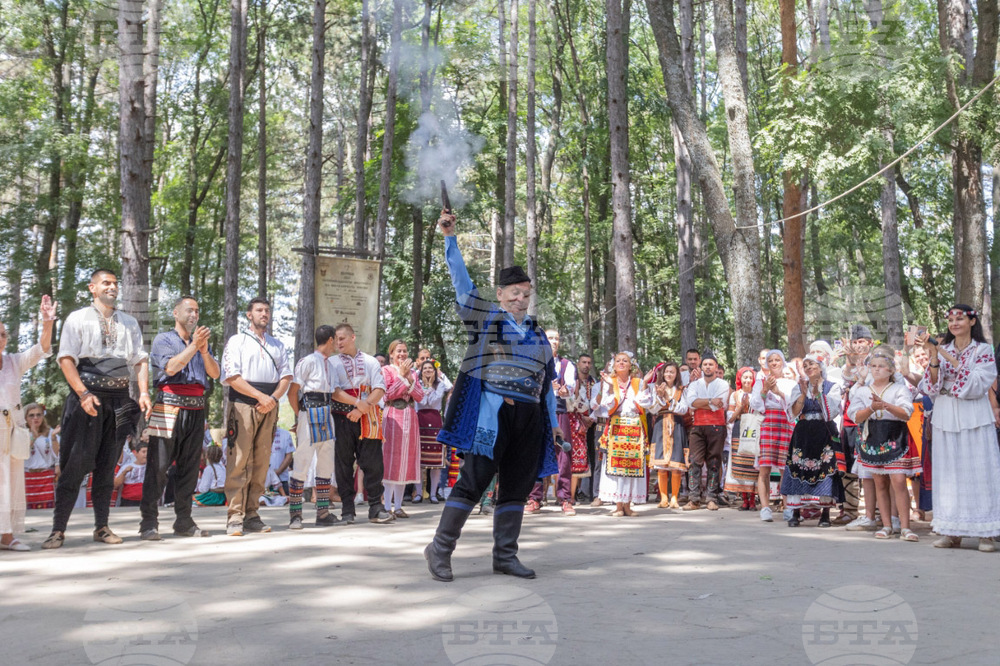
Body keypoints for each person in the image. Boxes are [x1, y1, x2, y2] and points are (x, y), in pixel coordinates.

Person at [425, 209, 561, 583]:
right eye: (515, 293)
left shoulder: (536, 333)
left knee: (517, 485)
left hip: (530, 417)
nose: (521, 299)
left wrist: (553, 424)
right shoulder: (484, 317)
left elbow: (546, 385)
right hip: (493, 413)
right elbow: (461, 283)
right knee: (473, 480)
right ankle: (439, 549)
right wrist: (450, 239)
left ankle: (505, 555)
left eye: (526, 294)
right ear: (499, 294)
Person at [44, 271, 151, 549]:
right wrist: (82, 393)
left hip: (119, 399)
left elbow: (139, 359)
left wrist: (143, 392)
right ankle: (58, 530)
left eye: (115, 283)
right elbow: (66, 359)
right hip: (87, 398)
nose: (112, 287)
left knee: (107, 465)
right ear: (93, 288)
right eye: (106, 283)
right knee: (73, 465)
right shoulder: (77, 318)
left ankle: (102, 527)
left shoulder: (129, 322)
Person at [918, 306, 1000, 551]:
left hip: (973, 413)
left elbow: (978, 383)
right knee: (949, 473)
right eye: (951, 320)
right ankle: (951, 530)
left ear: (972, 321)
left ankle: (987, 532)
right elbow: (930, 386)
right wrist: (934, 357)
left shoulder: (983, 350)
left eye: (960, 319)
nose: (954, 323)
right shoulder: (943, 350)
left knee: (980, 471)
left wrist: (944, 352)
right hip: (946, 413)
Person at [140, 296, 220, 540]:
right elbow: (172, 368)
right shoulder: (164, 339)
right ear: (176, 313)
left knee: (189, 468)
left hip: (196, 408)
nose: (194, 315)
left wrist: (204, 350)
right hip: (167, 405)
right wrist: (194, 346)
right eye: (189, 310)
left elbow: (215, 373)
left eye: (197, 310)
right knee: (158, 466)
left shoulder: (201, 343)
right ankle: (149, 523)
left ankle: (184, 520)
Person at [220, 297, 292, 537]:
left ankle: (252, 513)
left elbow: (286, 376)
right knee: (239, 459)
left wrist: (272, 399)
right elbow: (232, 376)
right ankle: (235, 516)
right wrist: (261, 397)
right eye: (259, 310)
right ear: (249, 315)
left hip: (269, 406)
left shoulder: (277, 345)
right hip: (243, 403)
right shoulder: (237, 341)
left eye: (268, 310)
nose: (264, 314)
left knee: (262, 462)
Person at [1, 298, 55, 551]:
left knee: (10, 482)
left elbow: (41, 350)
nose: (1, 338)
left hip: (11, 431)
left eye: (3, 334)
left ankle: (7, 536)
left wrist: (47, 322)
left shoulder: (13, 362)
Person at [848, 346, 918, 541]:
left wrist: (885, 405)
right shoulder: (862, 391)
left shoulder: (899, 389)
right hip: (873, 437)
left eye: (881, 366)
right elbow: (854, 416)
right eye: (873, 366)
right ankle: (886, 525)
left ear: (890, 371)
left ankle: (905, 527)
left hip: (894, 435)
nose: (876, 369)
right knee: (879, 481)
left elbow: (906, 413)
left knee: (898, 480)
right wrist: (872, 407)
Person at [328, 323, 393, 524]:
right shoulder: (331, 362)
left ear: (352, 337)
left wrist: (363, 407)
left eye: (341, 338)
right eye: (336, 339)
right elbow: (334, 390)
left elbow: (380, 388)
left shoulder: (370, 361)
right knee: (343, 463)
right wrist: (356, 405)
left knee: (373, 462)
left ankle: (376, 506)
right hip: (342, 416)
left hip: (368, 415)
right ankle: (347, 508)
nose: (338, 342)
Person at [285, 325, 341, 529]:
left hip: (327, 413)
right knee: (302, 460)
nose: (335, 344)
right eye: (335, 340)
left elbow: (334, 393)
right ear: (330, 340)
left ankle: (323, 513)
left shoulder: (331, 366)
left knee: (326, 462)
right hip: (309, 412)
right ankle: (295, 515)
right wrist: (299, 414)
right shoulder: (307, 361)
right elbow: (293, 391)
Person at [781, 354, 842, 528]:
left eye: (812, 364)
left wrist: (818, 393)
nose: (808, 368)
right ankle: (796, 512)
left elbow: (831, 412)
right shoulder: (799, 387)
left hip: (824, 431)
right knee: (798, 468)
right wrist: (802, 393)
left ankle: (825, 514)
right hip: (803, 431)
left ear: (821, 367)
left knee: (825, 469)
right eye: (805, 365)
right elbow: (793, 413)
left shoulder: (832, 387)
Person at [594, 352, 653, 516]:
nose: (621, 363)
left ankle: (628, 504)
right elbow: (608, 404)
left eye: (625, 361)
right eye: (618, 360)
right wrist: (612, 388)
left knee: (631, 467)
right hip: (617, 427)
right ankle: (619, 505)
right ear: (613, 365)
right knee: (616, 465)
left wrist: (646, 384)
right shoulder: (609, 382)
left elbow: (646, 402)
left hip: (634, 426)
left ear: (630, 365)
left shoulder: (637, 382)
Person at [527, 329, 575, 515]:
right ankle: (534, 498)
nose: (554, 341)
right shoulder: (532, 363)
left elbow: (570, 387)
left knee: (563, 454)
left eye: (556, 338)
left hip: (559, 411)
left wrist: (563, 391)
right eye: (550, 338)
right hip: (538, 412)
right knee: (535, 453)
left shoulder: (566, 365)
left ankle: (564, 498)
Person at [749, 350, 796, 522]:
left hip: (785, 423)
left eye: (777, 360)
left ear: (783, 362)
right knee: (764, 468)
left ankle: (788, 506)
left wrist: (777, 391)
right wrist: (764, 390)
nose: (774, 363)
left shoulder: (790, 383)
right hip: (767, 423)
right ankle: (765, 507)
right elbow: (754, 404)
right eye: (771, 360)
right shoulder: (760, 381)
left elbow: (793, 404)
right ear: (766, 364)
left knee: (785, 468)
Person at [380, 339, 425, 518]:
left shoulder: (413, 373)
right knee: (390, 459)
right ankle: (386, 506)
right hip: (392, 415)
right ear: (391, 354)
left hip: (410, 416)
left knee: (405, 460)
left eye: (405, 351)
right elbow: (388, 394)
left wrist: (408, 378)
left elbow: (420, 396)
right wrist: (401, 377)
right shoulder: (386, 371)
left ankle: (398, 506)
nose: (402, 354)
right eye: (398, 351)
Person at [681, 353, 730, 511]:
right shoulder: (694, 384)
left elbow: (718, 405)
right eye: (705, 365)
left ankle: (711, 498)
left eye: (711, 364)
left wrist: (701, 402)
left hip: (717, 426)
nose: (708, 367)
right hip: (698, 426)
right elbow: (691, 403)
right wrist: (709, 401)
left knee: (714, 462)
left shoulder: (723, 384)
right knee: (694, 461)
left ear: (716, 367)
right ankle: (694, 498)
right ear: (701, 367)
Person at [648, 361, 688, 509]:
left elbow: (684, 409)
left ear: (676, 374)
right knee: (661, 465)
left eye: (672, 372)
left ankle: (675, 497)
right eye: (666, 372)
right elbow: (652, 410)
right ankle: (664, 497)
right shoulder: (655, 389)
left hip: (676, 424)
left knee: (676, 464)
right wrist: (660, 397)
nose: (669, 374)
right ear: (662, 374)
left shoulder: (682, 390)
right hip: (660, 423)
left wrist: (669, 399)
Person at [416, 359, 453, 504]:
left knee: (436, 460)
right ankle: (418, 493)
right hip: (420, 421)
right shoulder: (417, 384)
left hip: (435, 421)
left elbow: (432, 401)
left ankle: (432, 493)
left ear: (435, 371)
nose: (427, 371)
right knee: (419, 459)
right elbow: (421, 402)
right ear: (421, 371)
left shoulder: (441, 385)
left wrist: (429, 386)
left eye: (430, 368)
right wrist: (426, 388)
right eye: (424, 368)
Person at [724, 367, 759, 510]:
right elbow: (730, 418)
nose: (748, 380)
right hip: (739, 429)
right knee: (740, 464)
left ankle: (753, 499)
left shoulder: (757, 394)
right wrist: (741, 407)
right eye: (745, 377)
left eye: (750, 377)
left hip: (754, 428)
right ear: (740, 379)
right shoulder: (735, 395)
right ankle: (744, 499)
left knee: (752, 464)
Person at [567, 353, 598, 503]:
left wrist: (591, 418)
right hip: (574, 422)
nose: (586, 365)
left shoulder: (594, 382)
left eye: (589, 362)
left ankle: (590, 492)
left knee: (591, 456)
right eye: (584, 362)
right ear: (578, 364)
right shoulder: (572, 380)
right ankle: (570, 493)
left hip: (591, 423)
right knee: (572, 456)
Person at [24, 403, 59, 510]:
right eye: (31, 415)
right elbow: (20, 453)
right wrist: (33, 437)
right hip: (27, 477)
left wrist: (53, 438)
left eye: (39, 415)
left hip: (46, 477)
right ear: (25, 417)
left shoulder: (51, 433)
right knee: (28, 511)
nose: (36, 418)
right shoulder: (21, 433)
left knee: (48, 510)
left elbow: (58, 454)